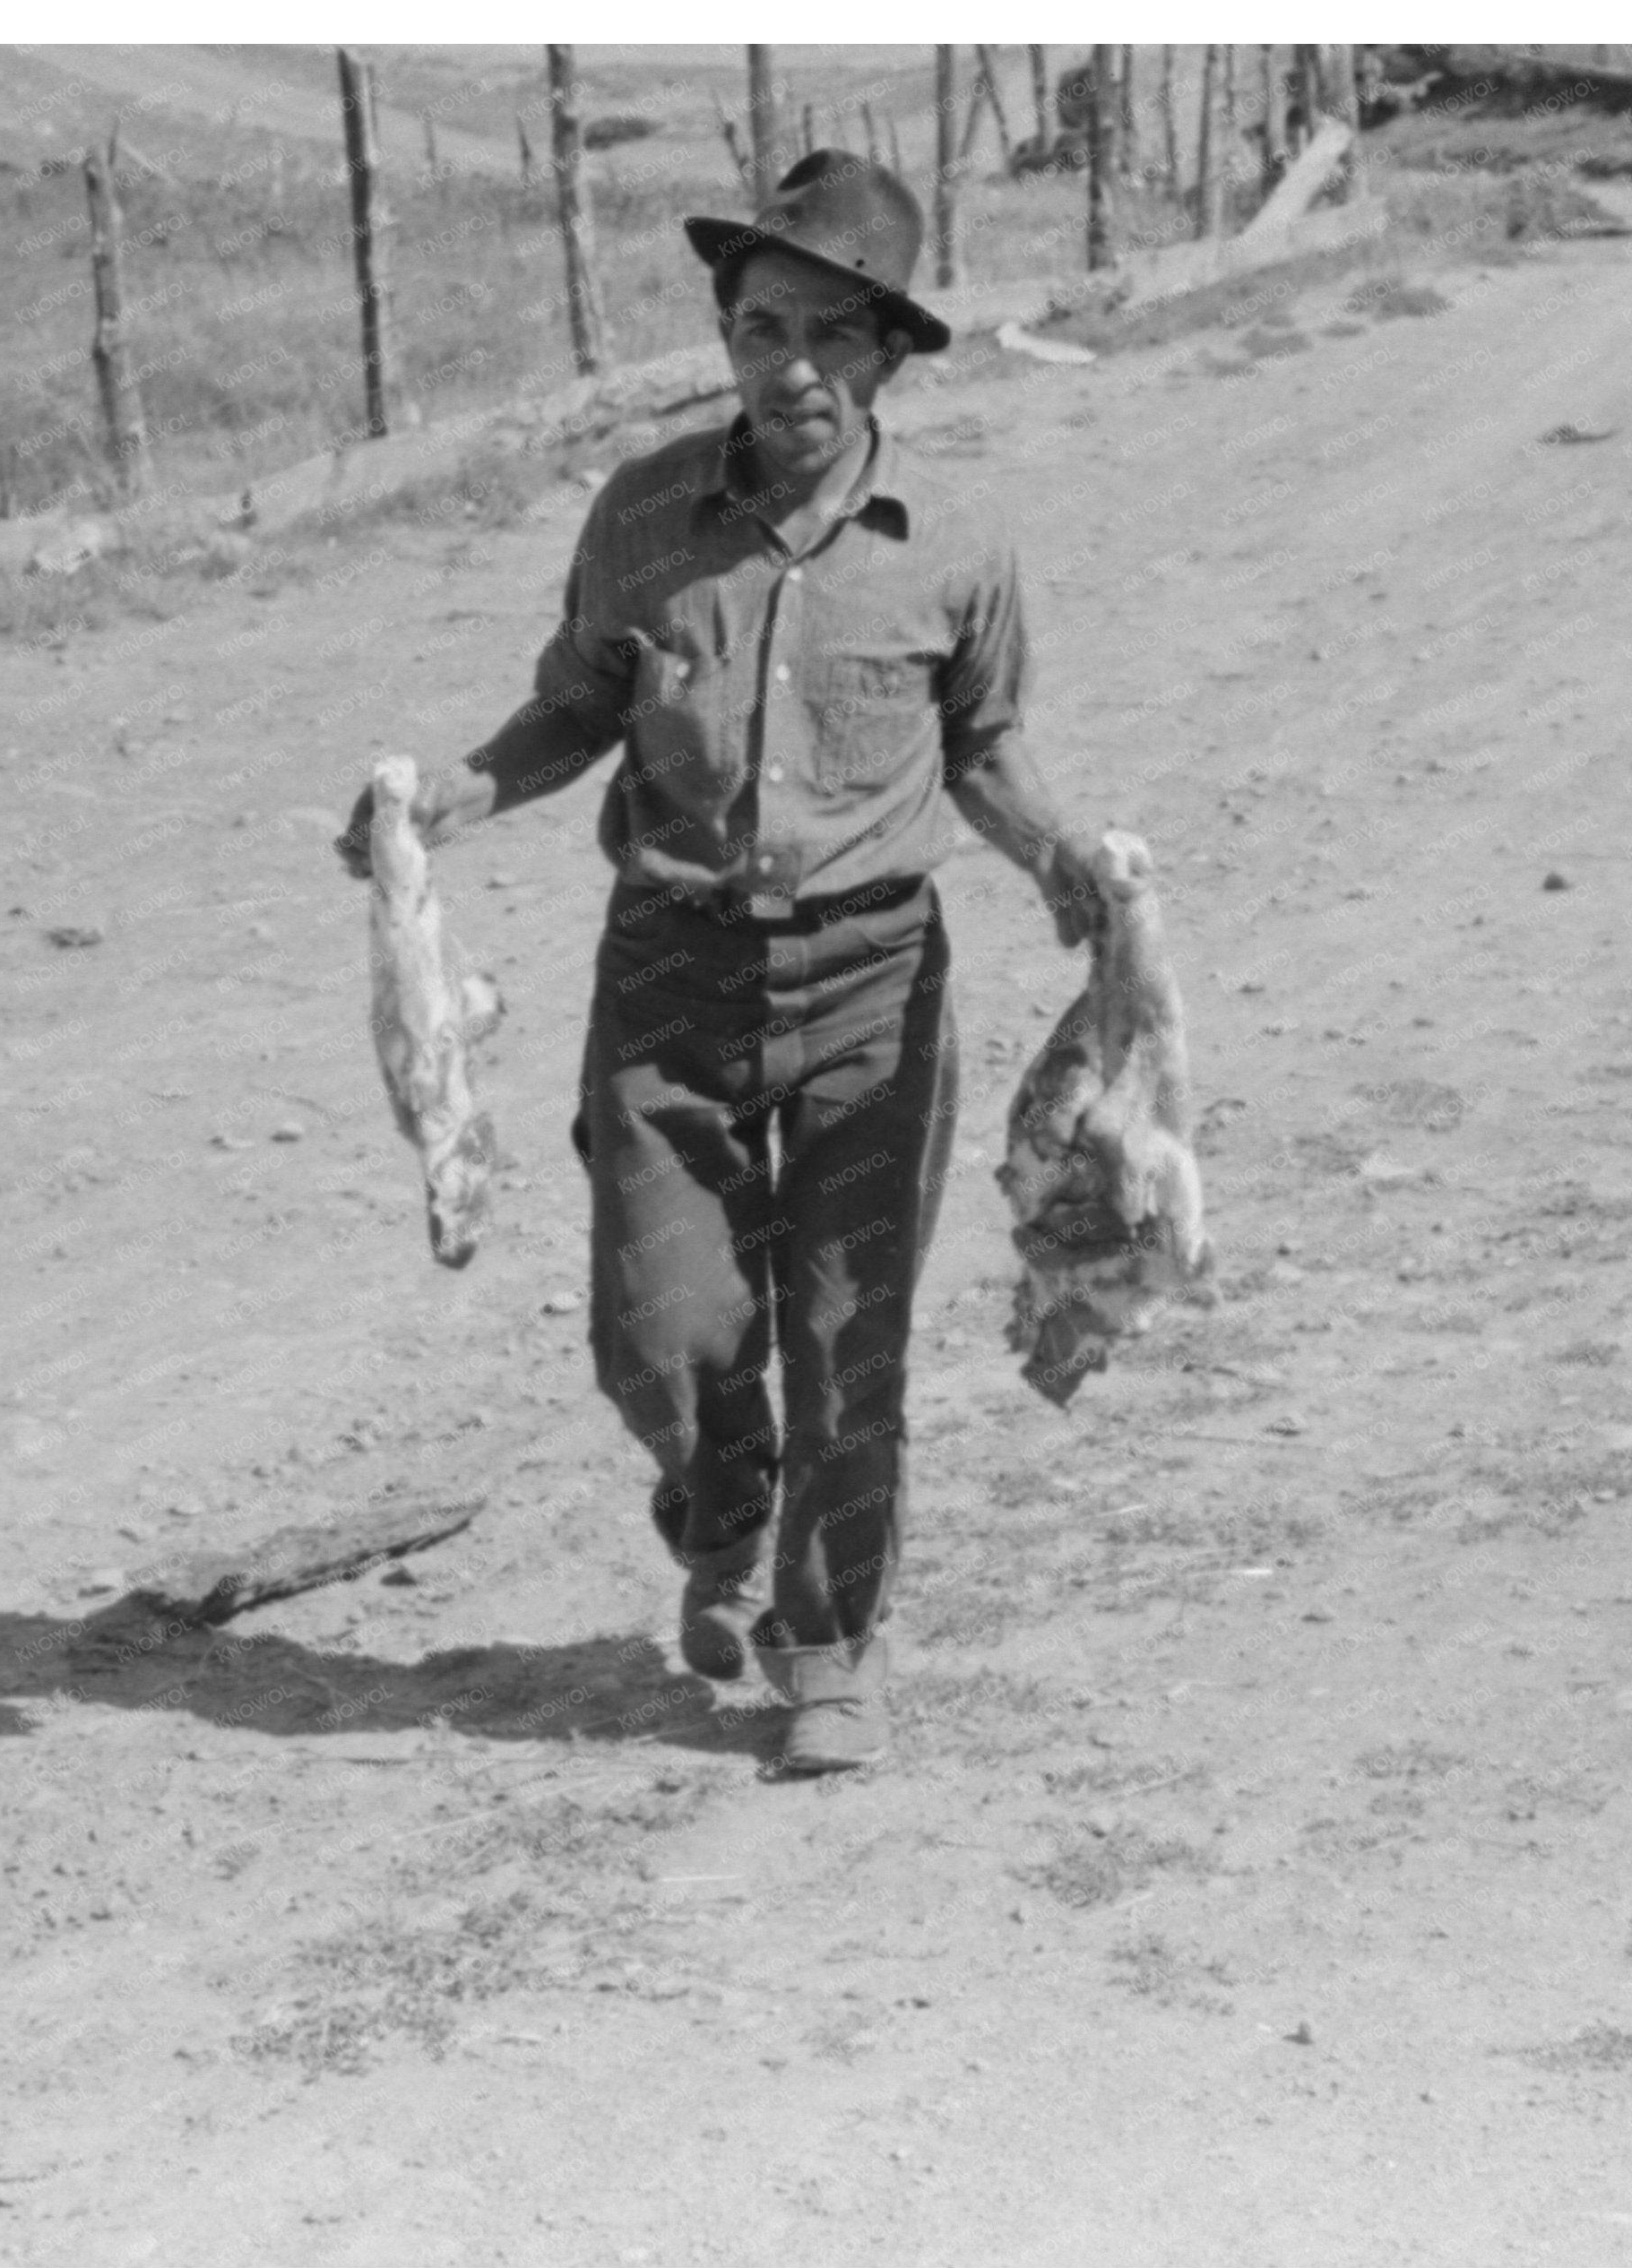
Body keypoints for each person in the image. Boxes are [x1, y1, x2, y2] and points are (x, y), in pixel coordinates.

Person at [333, 149, 1105, 1775]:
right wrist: (459, 793)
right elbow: (574, 703)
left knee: (847, 1334)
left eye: (833, 334)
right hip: (671, 980)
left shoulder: (954, 545)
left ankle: (830, 1646)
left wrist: (1063, 860)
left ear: (888, 355)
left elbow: (985, 747)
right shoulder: (642, 516)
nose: (794, 367)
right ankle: (724, 1496)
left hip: (872, 983)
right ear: (728, 337)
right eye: (764, 328)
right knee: (660, 1327)